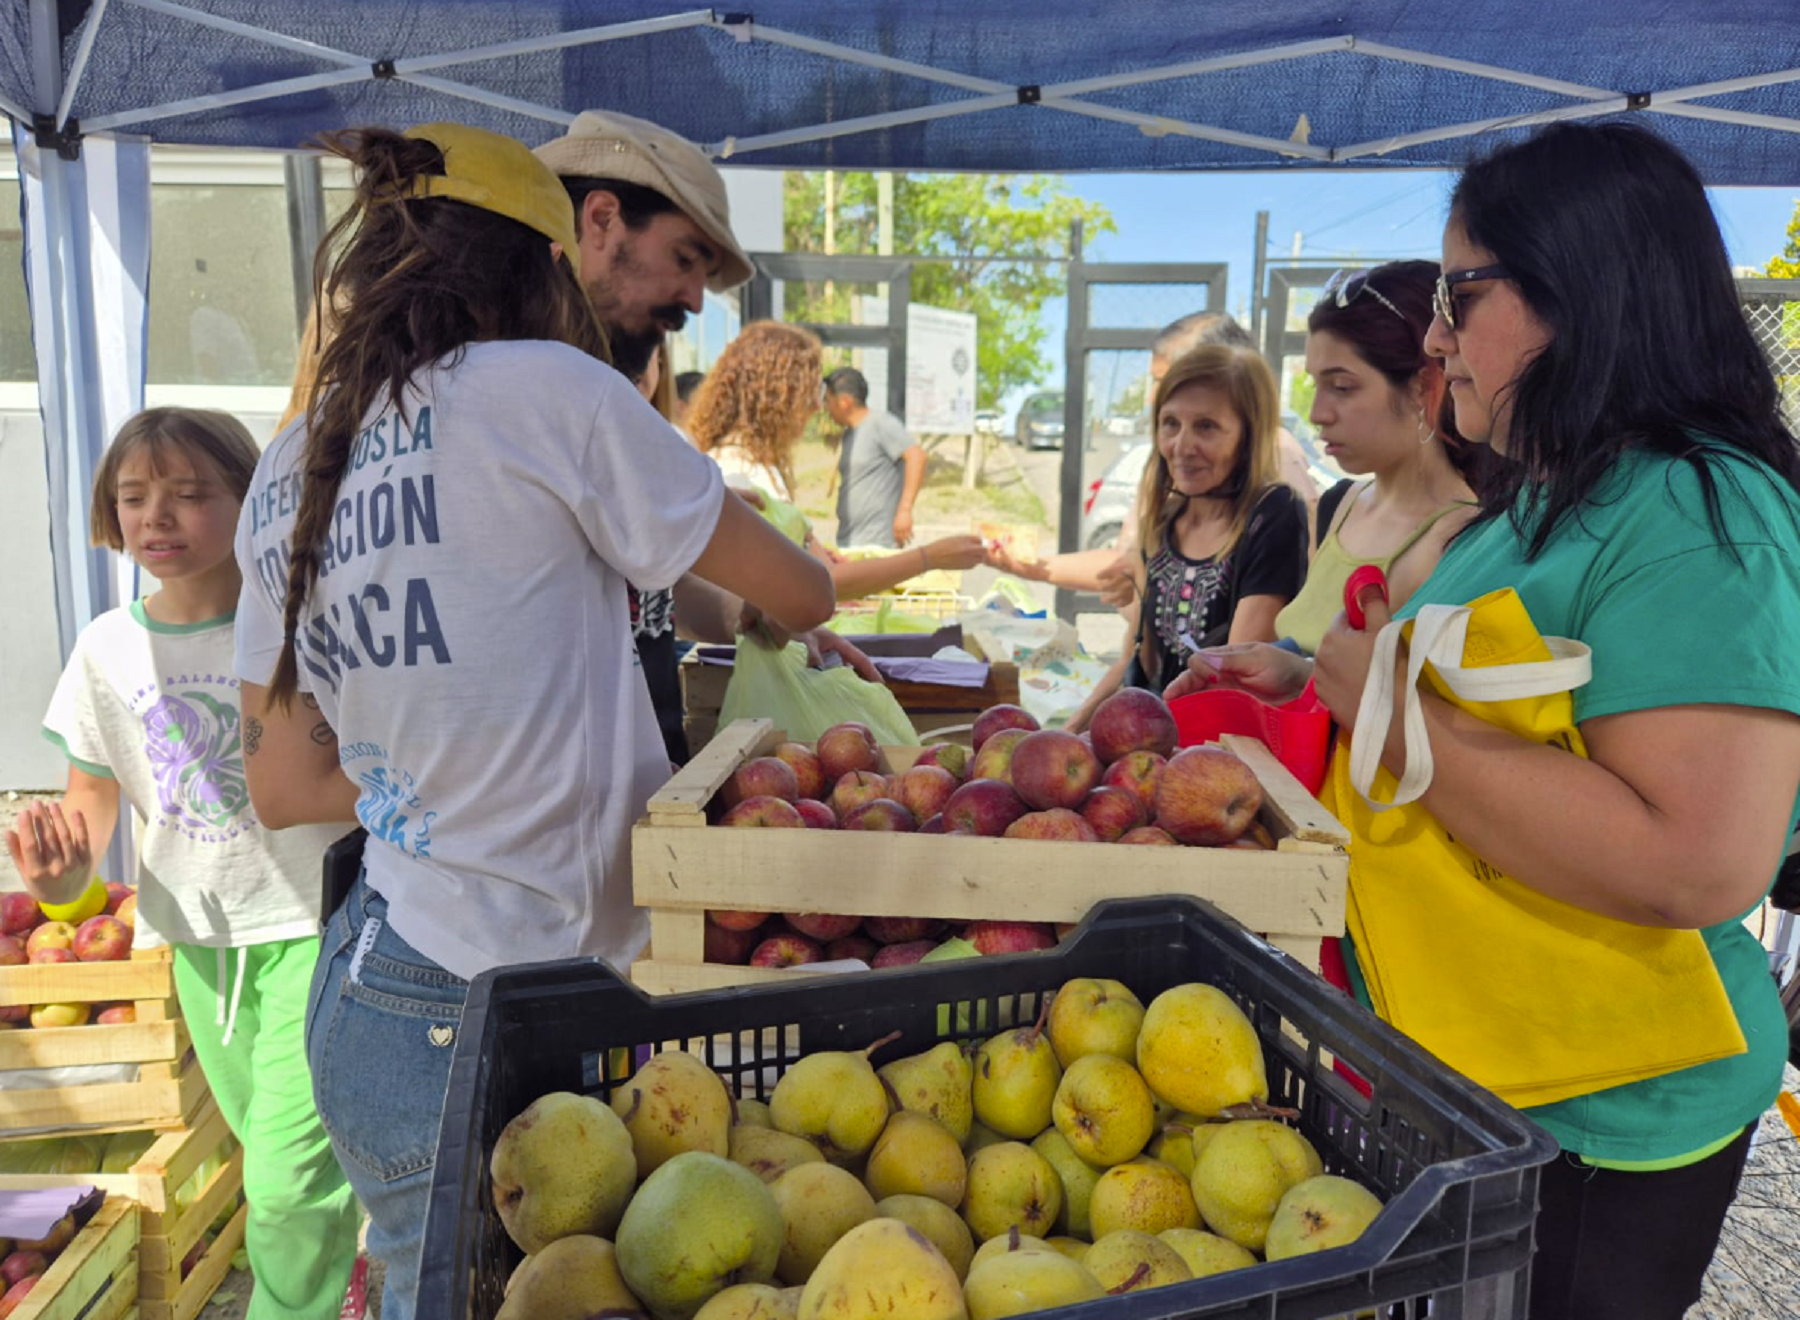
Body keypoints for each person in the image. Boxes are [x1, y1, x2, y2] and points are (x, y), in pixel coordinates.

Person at [1173, 121, 1800, 1320]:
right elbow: (1517, 719)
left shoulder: (1700, 511)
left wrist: (1386, 712)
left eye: (1463, 293)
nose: (1438, 338)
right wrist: (1314, 681)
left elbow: (1702, 856)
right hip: (1484, 1066)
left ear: (1581, 290)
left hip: (1602, 1107)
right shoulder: (1559, 495)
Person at [233, 124, 834, 1319]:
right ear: (544, 267)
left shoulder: (293, 459)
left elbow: (285, 785)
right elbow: (802, 593)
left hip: (384, 987)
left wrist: (432, 774)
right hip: (506, 1001)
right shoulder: (555, 393)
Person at [5, 408, 361, 1320]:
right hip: (195, 946)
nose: (156, 517)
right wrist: (60, 886)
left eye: (191, 494)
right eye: (133, 498)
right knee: (269, 1158)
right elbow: (90, 816)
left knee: (284, 1183)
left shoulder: (301, 619)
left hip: (316, 930)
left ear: (253, 501)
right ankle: (352, 1276)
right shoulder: (103, 650)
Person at [533, 110, 865, 762]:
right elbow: (811, 592)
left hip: (636, 800)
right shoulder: (558, 403)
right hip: (554, 835)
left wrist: (747, 608)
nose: (693, 302)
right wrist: (779, 591)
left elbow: (645, 590)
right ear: (601, 220)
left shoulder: (585, 402)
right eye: (684, 259)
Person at [1064, 344, 1307, 733]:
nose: (1181, 446)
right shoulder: (1162, 521)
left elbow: (1234, 689)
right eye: (1170, 423)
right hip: (1148, 745)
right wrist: (1069, 730)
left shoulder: (1272, 514)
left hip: (1211, 754)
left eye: (1206, 426)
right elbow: (1137, 660)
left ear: (1249, 434)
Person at [993, 312, 1314, 600]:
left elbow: (1284, 596)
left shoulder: (1276, 460)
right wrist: (1027, 564)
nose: (1152, 397)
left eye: (1163, 380)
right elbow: (1128, 561)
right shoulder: (1169, 471)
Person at [690, 322, 988, 598]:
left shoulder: (753, 464)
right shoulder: (738, 472)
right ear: (775, 397)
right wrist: (929, 558)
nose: (817, 406)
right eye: (808, 393)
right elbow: (820, 584)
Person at [1272, 262, 1478, 654]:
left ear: (1422, 386)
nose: (1317, 413)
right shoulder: (1341, 504)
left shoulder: (1460, 540)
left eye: (1343, 387)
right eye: (1315, 385)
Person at [824, 366, 930, 549]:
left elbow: (916, 457)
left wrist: (905, 510)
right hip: (850, 540)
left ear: (844, 402)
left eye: (828, 401)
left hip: (877, 542)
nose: (826, 408)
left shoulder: (881, 424)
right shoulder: (850, 434)